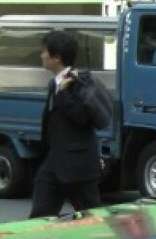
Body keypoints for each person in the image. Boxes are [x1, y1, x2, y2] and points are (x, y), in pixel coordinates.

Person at [29, 30, 114, 219]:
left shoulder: (79, 83)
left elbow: (82, 118)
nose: (41, 55)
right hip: (53, 164)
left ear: (57, 57)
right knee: (40, 218)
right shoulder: (55, 84)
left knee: (92, 219)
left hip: (78, 167)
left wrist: (64, 94)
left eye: (45, 51)